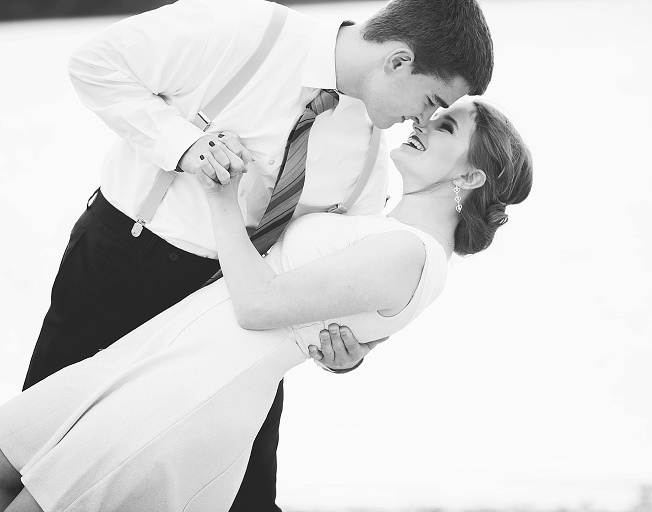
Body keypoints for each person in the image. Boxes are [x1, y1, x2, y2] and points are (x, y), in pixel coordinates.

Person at [21, 0, 495, 509]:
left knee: (246, 499)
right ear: (399, 61)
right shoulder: (244, 29)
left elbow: (332, 280)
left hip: (231, 322)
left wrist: (350, 352)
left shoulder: (371, 158)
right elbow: (95, 64)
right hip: (121, 265)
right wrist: (184, 146)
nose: (424, 117)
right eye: (431, 99)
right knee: (37, 456)